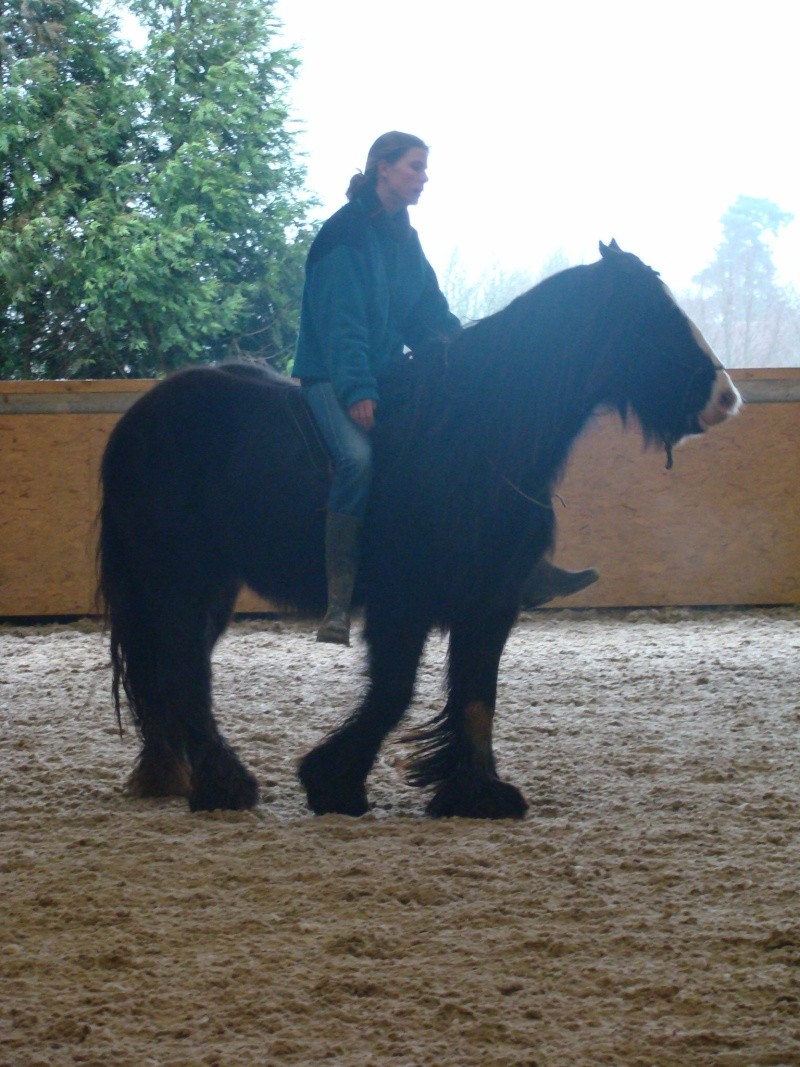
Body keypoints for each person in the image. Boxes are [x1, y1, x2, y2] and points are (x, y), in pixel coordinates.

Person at [293, 131, 597, 646]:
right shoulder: (342, 236)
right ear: (382, 169)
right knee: (356, 461)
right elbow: (340, 324)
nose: (424, 177)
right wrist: (356, 389)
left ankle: (521, 567)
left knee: (454, 440)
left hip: (384, 370)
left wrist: (464, 354)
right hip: (331, 374)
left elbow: (425, 309)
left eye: (424, 168)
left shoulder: (402, 235)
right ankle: (338, 603)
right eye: (414, 167)